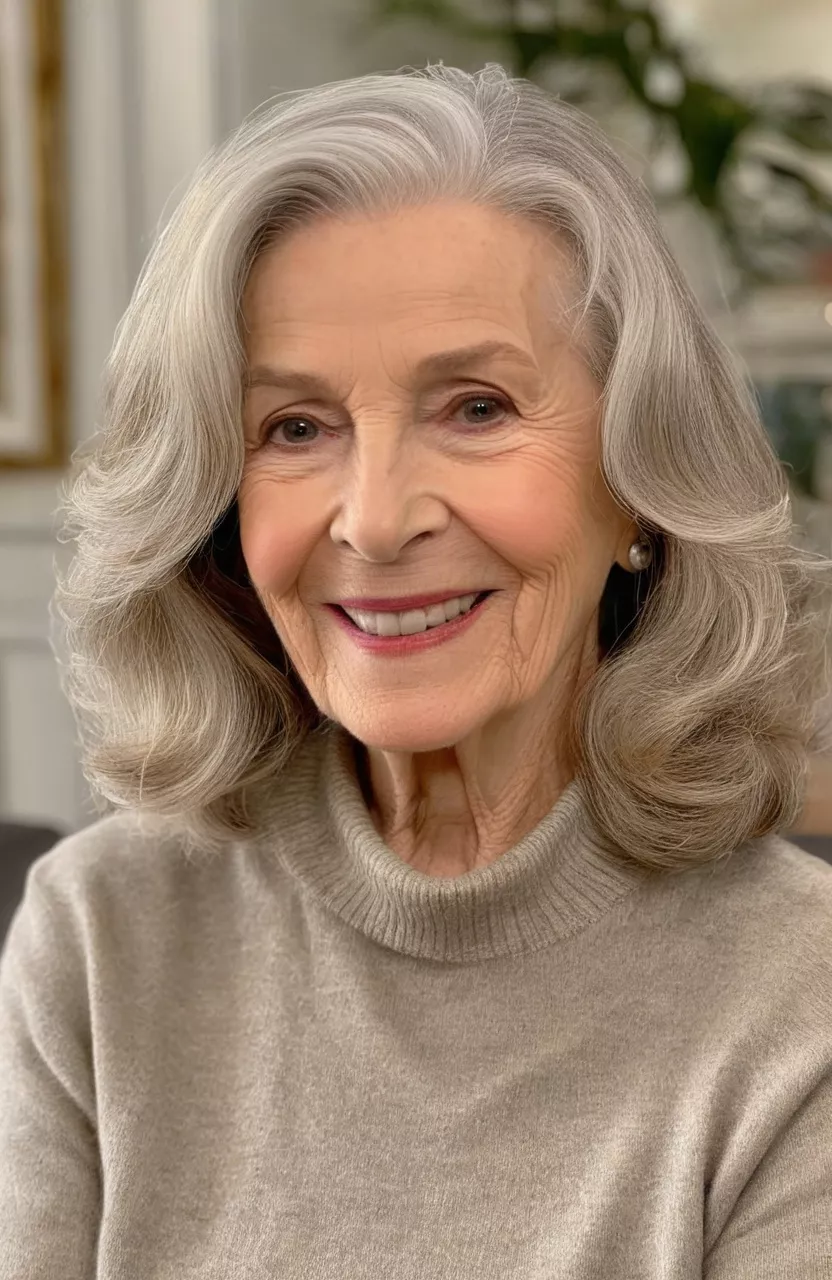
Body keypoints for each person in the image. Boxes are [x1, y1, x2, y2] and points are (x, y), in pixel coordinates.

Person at [1, 62, 831, 1280]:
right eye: (295, 427)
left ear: (638, 482)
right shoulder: (101, 937)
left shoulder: (802, 995)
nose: (377, 519)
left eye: (476, 407)